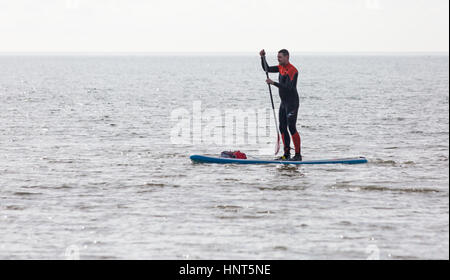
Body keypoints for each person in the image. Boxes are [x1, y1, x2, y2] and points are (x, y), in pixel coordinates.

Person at [260, 49, 302, 161]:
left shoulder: (293, 70)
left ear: (287, 57)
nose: (278, 59)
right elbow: (266, 69)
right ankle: (286, 154)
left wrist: (273, 83)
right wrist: (263, 57)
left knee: (291, 127)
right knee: (282, 127)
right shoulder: (280, 67)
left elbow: (290, 88)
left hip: (292, 103)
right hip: (284, 104)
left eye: (280, 57)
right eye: (277, 57)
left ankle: (298, 155)